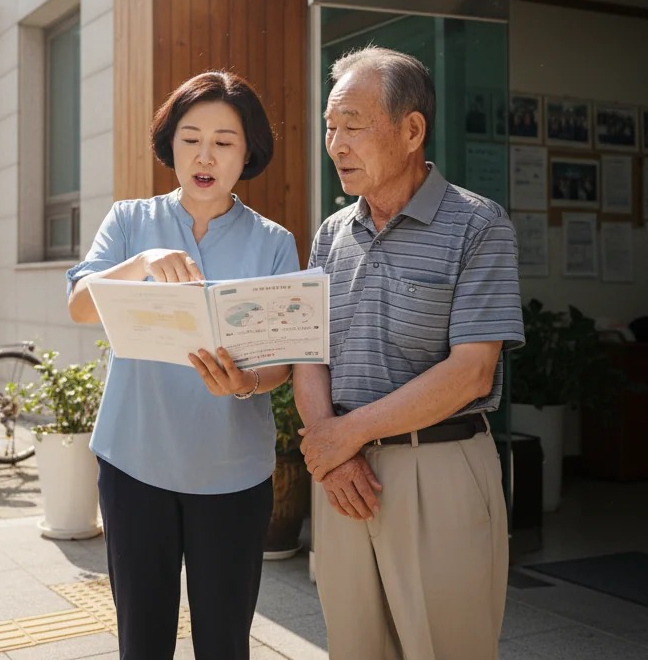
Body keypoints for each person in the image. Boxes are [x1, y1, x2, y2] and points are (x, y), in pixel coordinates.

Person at [294, 46, 524, 660]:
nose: (336, 143)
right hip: (342, 478)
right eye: (329, 126)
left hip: (439, 467)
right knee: (354, 649)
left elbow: (473, 372)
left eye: (353, 124)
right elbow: (308, 352)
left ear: (412, 129)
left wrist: (343, 435)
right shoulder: (331, 234)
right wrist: (329, 446)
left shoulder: (479, 225)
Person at [65, 71, 300, 659]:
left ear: (248, 153)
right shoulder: (128, 222)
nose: (205, 155)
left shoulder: (273, 241)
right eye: (190, 137)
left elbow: (283, 363)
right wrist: (141, 262)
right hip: (134, 464)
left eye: (224, 141)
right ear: (169, 143)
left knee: (224, 644)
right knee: (142, 643)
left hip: (234, 475)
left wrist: (246, 382)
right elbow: (78, 305)